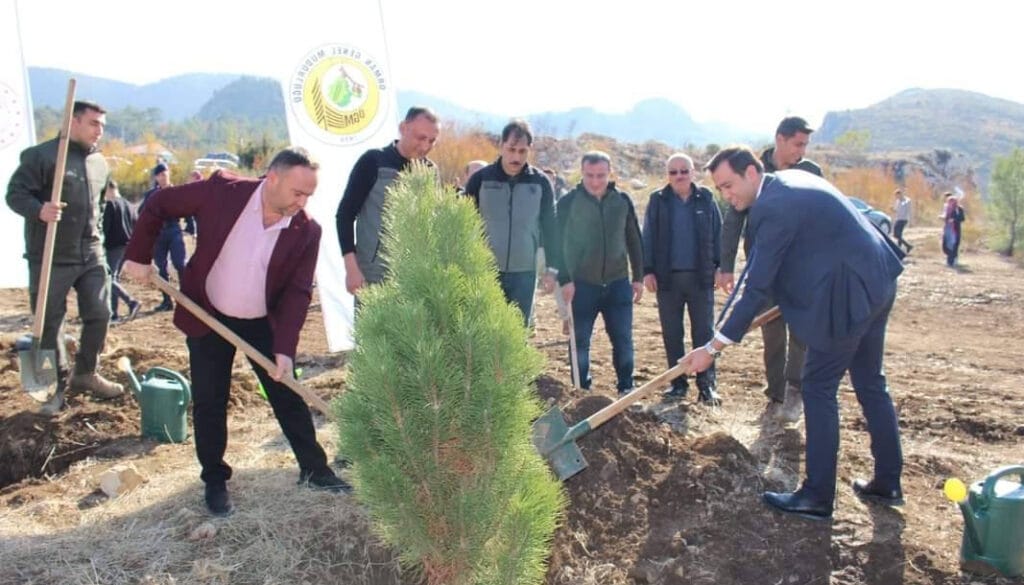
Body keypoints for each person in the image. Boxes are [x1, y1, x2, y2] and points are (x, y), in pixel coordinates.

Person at [121, 148, 350, 517]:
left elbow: (297, 293)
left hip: (262, 322)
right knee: (211, 399)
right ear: (272, 178)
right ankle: (215, 480)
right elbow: (160, 204)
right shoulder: (221, 192)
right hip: (207, 313)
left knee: (287, 390)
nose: (303, 201)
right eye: (297, 192)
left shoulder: (306, 229)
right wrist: (139, 254)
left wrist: (285, 350)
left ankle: (315, 469)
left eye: (309, 194)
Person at [682, 146, 905, 521]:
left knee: (817, 387)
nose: (726, 195)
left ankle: (817, 496)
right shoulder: (793, 181)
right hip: (878, 280)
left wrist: (713, 346)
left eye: (729, 185)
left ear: (752, 172)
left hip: (848, 294)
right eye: (720, 189)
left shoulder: (772, 207)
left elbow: (753, 285)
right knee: (870, 381)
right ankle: (888, 481)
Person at [6, 100, 123, 411]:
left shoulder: (99, 162)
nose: (100, 130)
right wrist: (39, 209)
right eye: (94, 123)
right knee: (48, 324)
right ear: (73, 122)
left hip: (91, 254)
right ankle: (51, 386)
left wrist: (96, 238)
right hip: (51, 256)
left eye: (102, 125)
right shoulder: (42, 157)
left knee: (100, 313)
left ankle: (86, 373)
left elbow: (98, 208)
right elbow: (15, 194)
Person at [717, 116, 823, 423]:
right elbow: (734, 220)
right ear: (780, 139)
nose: (801, 151)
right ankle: (776, 393)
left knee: (802, 332)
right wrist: (725, 265)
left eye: (805, 145)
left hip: (802, 269)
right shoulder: (753, 170)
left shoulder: (811, 172)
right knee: (772, 333)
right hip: (766, 266)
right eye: (797, 144)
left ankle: (796, 388)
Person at [556, 151, 644, 395]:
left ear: (610, 173)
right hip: (581, 285)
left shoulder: (622, 201)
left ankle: (626, 387)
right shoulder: (568, 202)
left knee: (623, 340)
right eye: (590, 175)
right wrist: (565, 280)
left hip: (617, 283)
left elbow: (634, 240)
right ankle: (580, 391)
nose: (595, 181)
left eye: (601, 176)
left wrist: (637, 277)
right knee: (580, 341)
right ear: (582, 173)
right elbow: (556, 243)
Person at [642, 153, 722, 405]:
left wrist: (721, 266)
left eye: (683, 171)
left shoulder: (706, 198)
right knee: (672, 334)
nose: (679, 176)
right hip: (668, 280)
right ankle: (677, 384)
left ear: (693, 172)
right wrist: (647, 270)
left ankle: (707, 386)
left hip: (701, 279)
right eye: (673, 172)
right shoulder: (658, 200)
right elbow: (648, 237)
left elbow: (719, 233)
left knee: (704, 334)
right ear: (667, 175)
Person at [462, 119, 559, 325]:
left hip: (524, 272)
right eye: (511, 149)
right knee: (485, 330)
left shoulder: (540, 183)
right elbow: (462, 224)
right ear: (501, 146)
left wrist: (552, 268)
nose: (516, 156)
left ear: (530, 149)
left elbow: (551, 227)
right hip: (485, 271)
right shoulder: (480, 180)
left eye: (522, 151)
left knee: (518, 333)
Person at [336, 106, 440, 296]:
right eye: (420, 138)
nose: (425, 146)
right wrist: (351, 268)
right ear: (403, 128)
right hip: (372, 274)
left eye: (432, 141)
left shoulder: (430, 171)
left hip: (412, 276)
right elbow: (345, 214)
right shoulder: (373, 161)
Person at [139, 163, 195, 311]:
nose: (163, 177)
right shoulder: (151, 195)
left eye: (165, 174)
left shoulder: (177, 192)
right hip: (158, 234)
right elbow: (143, 214)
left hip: (174, 231)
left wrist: (191, 226)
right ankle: (166, 301)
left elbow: (187, 209)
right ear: (156, 177)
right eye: (160, 175)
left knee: (179, 264)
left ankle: (185, 299)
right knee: (160, 268)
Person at [101, 179, 142, 323]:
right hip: (128, 245)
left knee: (109, 278)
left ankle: (131, 302)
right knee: (114, 278)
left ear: (108, 189)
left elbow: (105, 228)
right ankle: (113, 314)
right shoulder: (129, 205)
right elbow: (137, 224)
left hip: (114, 246)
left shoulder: (110, 204)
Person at [941, 192, 966, 267]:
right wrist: (942, 218)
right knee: (945, 245)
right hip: (947, 229)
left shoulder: (959, 209)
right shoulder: (947, 209)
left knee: (954, 245)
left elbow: (962, 218)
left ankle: (951, 261)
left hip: (955, 229)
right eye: (949, 202)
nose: (950, 203)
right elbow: (945, 216)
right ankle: (951, 259)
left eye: (952, 202)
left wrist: (954, 220)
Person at [892, 188, 913, 253]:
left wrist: (911, 221)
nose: (896, 197)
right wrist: (893, 210)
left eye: (897, 195)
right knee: (897, 235)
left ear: (900, 194)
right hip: (898, 218)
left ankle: (904, 246)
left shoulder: (907, 201)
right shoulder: (897, 201)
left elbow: (909, 211)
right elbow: (896, 210)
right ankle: (906, 246)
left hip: (903, 219)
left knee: (897, 234)